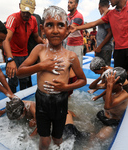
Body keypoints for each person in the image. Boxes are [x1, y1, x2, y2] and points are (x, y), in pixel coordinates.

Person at [16, 6, 86, 150]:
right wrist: (42, 66)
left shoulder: (70, 56)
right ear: (42, 29)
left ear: (67, 29)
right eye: (50, 25)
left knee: (57, 137)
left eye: (60, 25)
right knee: (44, 138)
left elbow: (82, 80)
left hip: (60, 101)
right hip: (42, 101)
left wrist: (66, 88)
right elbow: (20, 72)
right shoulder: (39, 50)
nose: (55, 30)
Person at [70, 0, 128, 91]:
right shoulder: (110, 14)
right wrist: (77, 27)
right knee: (118, 78)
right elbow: (94, 23)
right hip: (118, 50)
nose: (109, 2)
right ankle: (122, 99)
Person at [3, 0, 44, 93]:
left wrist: (46, 45)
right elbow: (6, 39)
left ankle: (23, 100)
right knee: (13, 80)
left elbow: (36, 37)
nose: (26, 14)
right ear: (19, 6)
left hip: (25, 54)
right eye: (24, 11)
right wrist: (10, 60)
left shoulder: (33, 20)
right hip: (12, 54)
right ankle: (12, 99)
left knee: (24, 79)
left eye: (29, 12)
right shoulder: (13, 18)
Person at [95, 67, 128, 140]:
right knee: (90, 134)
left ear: (119, 85)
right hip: (104, 115)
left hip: (113, 121)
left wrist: (109, 86)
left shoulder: (124, 95)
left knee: (100, 137)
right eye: (107, 82)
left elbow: (107, 106)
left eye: (110, 83)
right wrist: (101, 79)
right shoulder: (111, 88)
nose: (107, 84)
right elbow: (93, 86)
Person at [95, 0, 113, 66]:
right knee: (100, 69)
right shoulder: (104, 15)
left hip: (105, 49)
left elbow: (110, 33)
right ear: (108, 5)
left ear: (99, 6)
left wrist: (99, 47)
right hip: (102, 48)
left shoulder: (106, 15)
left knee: (105, 69)